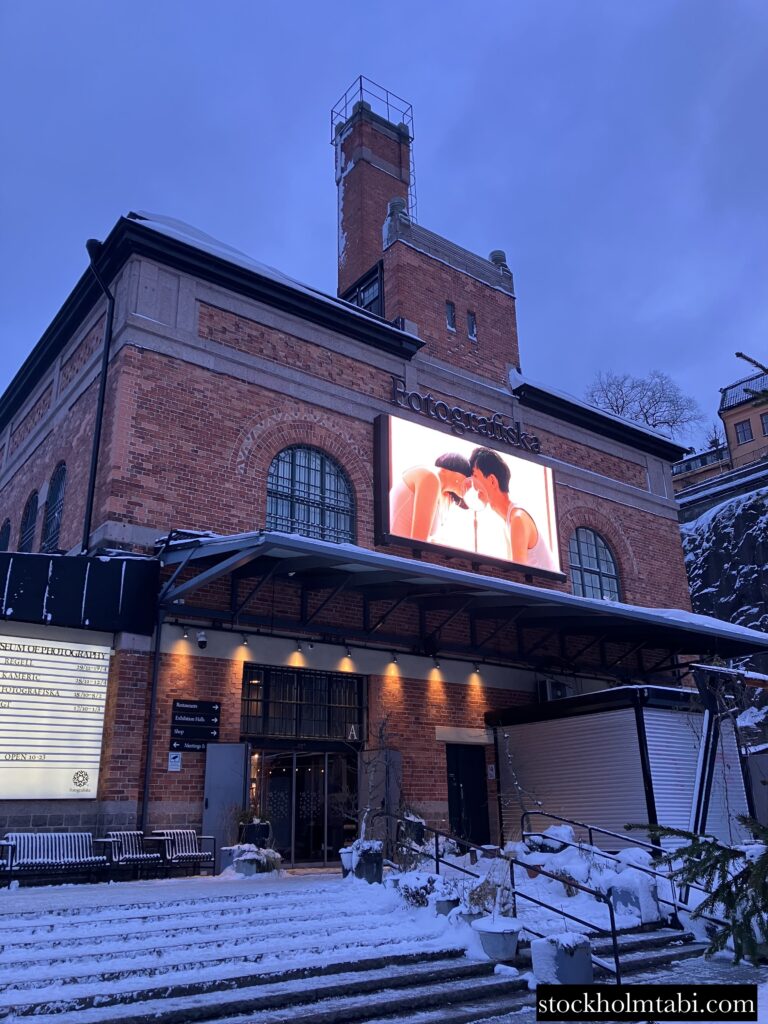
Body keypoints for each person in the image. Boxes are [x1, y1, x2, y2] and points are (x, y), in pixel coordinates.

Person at [468, 447, 556, 569]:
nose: (473, 485)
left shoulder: (518, 519)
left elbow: (518, 577)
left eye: (476, 476)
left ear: (492, 481)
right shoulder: (509, 520)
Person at [390, 453, 472, 543]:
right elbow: (418, 543)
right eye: (467, 476)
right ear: (454, 469)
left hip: (403, 550)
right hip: (396, 551)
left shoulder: (443, 494)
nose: (470, 484)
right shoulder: (431, 477)